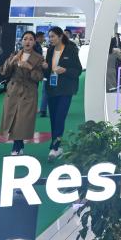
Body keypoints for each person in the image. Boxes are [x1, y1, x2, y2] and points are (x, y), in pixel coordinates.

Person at [0, 31, 45, 155]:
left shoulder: (39, 58)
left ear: (34, 42)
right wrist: (11, 61)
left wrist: (29, 67)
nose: (27, 41)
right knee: (13, 118)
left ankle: (16, 146)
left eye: (31, 39)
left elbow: (39, 77)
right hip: (13, 90)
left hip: (28, 92)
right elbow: (3, 72)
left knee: (22, 119)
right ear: (21, 41)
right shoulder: (15, 54)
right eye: (25, 39)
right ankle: (18, 145)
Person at [43, 26, 82, 160]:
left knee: (60, 117)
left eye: (53, 36)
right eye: (49, 37)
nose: (50, 39)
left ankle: (54, 147)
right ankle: (56, 145)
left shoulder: (71, 50)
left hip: (66, 89)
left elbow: (77, 70)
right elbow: (48, 72)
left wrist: (65, 70)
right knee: (54, 118)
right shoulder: (50, 50)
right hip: (51, 88)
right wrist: (45, 68)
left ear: (60, 37)